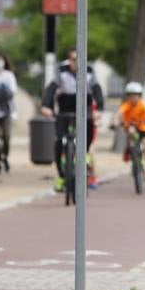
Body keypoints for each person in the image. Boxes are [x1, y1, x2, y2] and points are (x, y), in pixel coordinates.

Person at [40, 49, 105, 191]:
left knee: (87, 129)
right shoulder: (61, 72)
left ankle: (85, 155)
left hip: (84, 108)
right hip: (65, 108)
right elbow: (51, 89)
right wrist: (46, 106)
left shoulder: (89, 72)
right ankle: (62, 176)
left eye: (79, 59)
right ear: (70, 60)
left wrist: (99, 109)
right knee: (58, 141)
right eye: (73, 59)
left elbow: (97, 90)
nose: (76, 62)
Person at [116, 81, 145, 183]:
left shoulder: (143, 104)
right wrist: (115, 122)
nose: (133, 98)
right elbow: (119, 114)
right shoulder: (126, 105)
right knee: (131, 131)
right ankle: (128, 148)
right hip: (131, 126)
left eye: (136, 96)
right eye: (131, 96)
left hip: (143, 127)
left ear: (140, 96)